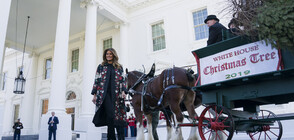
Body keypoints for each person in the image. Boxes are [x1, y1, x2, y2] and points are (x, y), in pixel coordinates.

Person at [92, 48, 127, 140]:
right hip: (104, 95)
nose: (109, 55)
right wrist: (94, 95)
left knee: (118, 118)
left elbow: (123, 80)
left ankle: (117, 137)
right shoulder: (101, 66)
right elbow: (97, 80)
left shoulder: (119, 67)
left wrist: (123, 91)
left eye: (110, 54)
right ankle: (111, 137)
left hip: (117, 95)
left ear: (114, 55)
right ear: (105, 55)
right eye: (107, 54)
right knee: (111, 115)